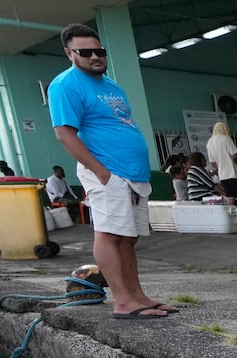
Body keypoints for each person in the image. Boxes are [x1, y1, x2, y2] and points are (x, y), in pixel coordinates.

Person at [50, 23, 177, 320]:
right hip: (107, 171)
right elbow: (65, 134)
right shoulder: (65, 85)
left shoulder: (110, 85)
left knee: (128, 237)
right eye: (86, 52)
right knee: (109, 234)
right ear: (69, 53)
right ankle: (122, 301)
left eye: (99, 51)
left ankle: (137, 296)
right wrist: (102, 173)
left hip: (133, 173)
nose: (95, 57)